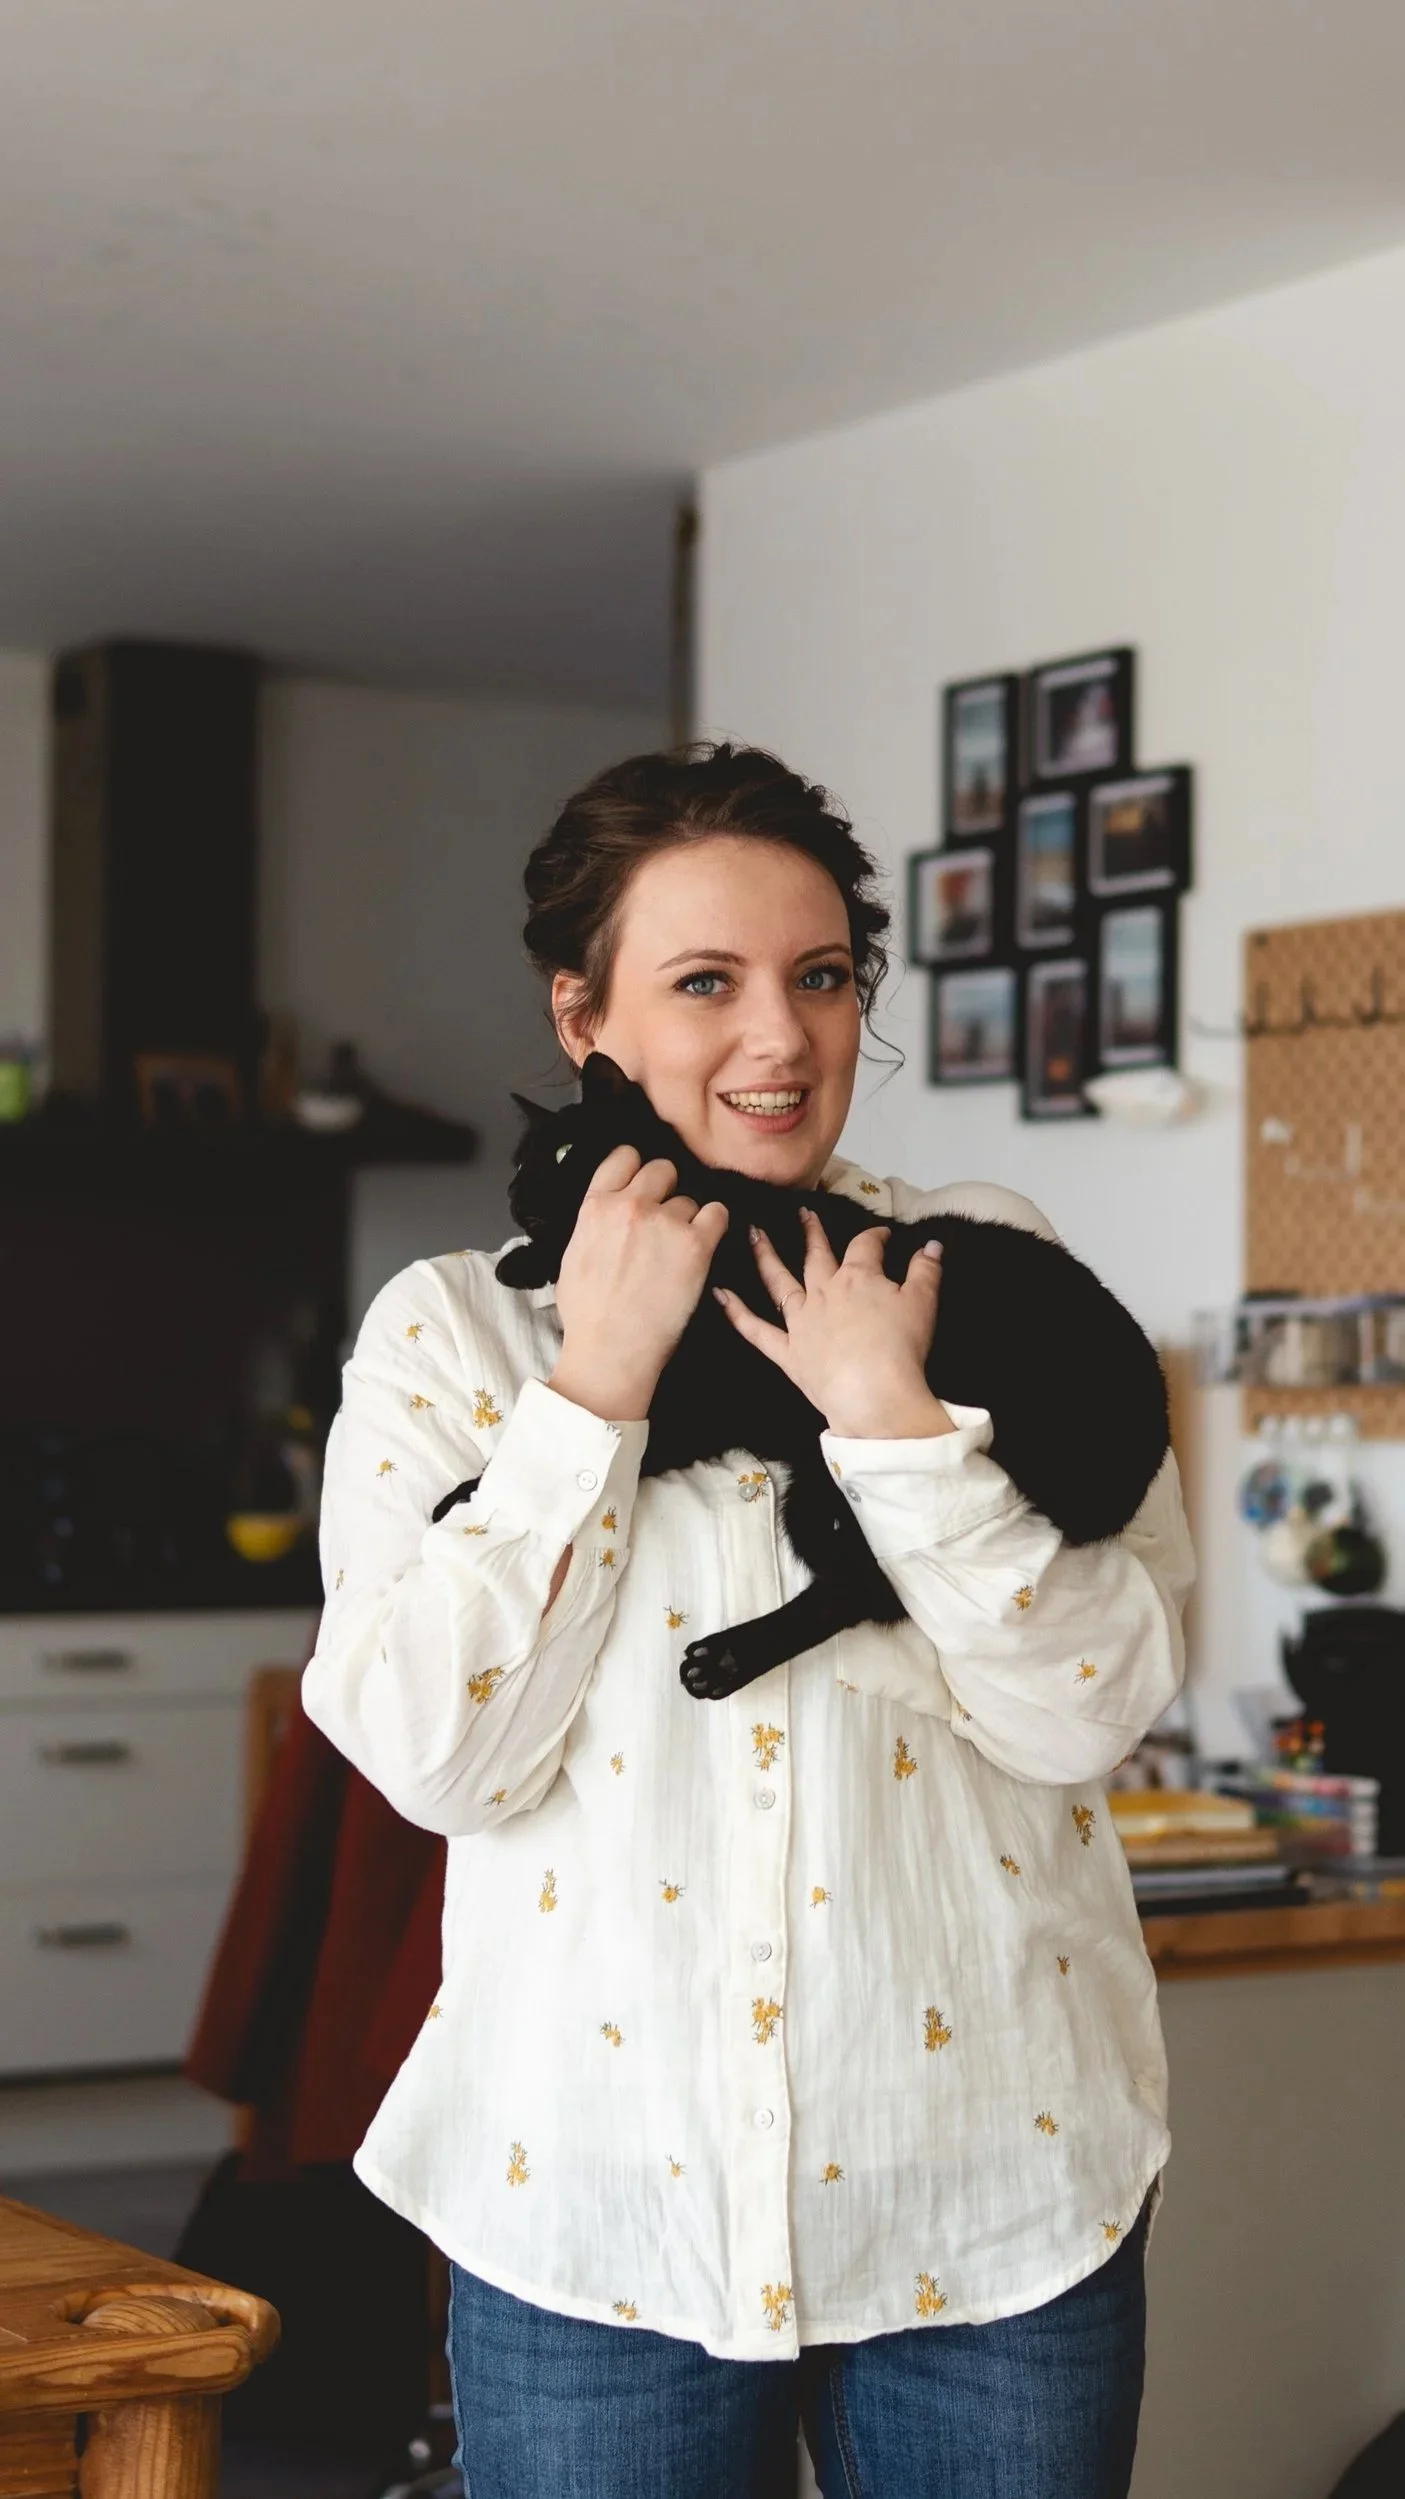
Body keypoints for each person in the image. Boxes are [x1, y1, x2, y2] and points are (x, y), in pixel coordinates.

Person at [302, 742, 1194, 2499]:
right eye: (704, 982)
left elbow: (1094, 1705)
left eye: (821, 976)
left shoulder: (976, 1268)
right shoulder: (453, 1338)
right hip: (598, 2206)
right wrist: (597, 1381)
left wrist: (898, 1426)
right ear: (583, 1015)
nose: (779, 1040)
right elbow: (434, 1756)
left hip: (992, 2193)